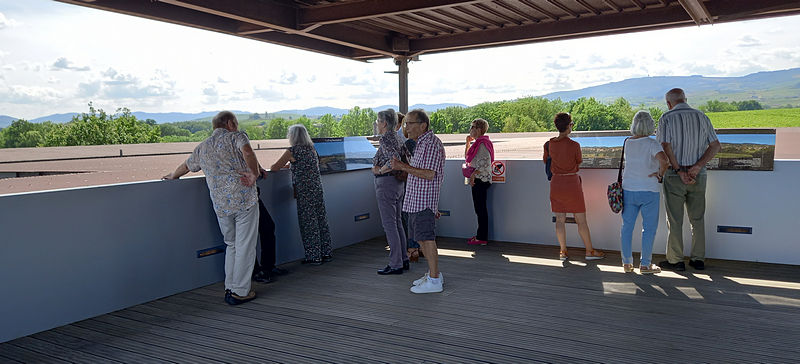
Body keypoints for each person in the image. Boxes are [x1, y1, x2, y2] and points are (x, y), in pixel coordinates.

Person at [163, 110, 260, 305]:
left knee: (231, 244)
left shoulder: (203, 146)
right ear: (230, 123)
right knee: (245, 246)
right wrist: (254, 173)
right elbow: (248, 152)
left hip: (221, 205)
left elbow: (187, 165)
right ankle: (240, 292)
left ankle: (230, 286)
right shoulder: (236, 137)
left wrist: (173, 176)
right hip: (244, 200)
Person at [657, 88, 721, 271]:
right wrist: (698, 166)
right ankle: (698, 259)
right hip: (698, 176)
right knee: (697, 218)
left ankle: (676, 261)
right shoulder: (702, 117)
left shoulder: (666, 118)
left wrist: (678, 170)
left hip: (674, 176)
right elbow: (715, 145)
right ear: (685, 99)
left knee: (675, 220)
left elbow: (665, 146)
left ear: (669, 103)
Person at [390, 109, 446, 294]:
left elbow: (429, 174)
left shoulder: (430, 144)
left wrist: (401, 166)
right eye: (405, 123)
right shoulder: (421, 143)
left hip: (423, 201)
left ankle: (435, 280)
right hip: (416, 201)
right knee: (421, 239)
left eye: (410, 124)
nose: (406, 127)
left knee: (426, 239)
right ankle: (432, 273)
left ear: (423, 125)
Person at [543, 113, 605, 261]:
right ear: (569, 126)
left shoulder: (549, 144)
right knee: (581, 220)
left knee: (559, 220)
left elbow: (546, 161)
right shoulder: (574, 145)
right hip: (572, 183)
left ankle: (563, 252)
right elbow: (578, 161)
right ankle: (589, 251)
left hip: (556, 183)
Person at [270, 124, 333, 265]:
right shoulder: (311, 149)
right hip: (317, 188)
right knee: (321, 220)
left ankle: (314, 256)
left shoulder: (292, 151)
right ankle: (326, 253)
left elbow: (275, 167)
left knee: (308, 223)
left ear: (292, 136)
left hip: (304, 191)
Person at [619, 111, 670, 274]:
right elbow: (665, 161)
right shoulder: (652, 143)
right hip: (649, 189)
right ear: (650, 125)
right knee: (649, 228)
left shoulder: (627, 142)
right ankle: (645, 264)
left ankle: (627, 263)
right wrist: (660, 175)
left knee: (627, 226)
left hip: (629, 189)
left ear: (634, 124)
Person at [372, 109, 409, 275]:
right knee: (397, 222)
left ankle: (395, 264)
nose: (377, 124)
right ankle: (403, 259)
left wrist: (380, 171)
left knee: (390, 225)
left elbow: (393, 159)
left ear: (384, 123)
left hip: (386, 184)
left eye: (378, 121)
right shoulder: (397, 136)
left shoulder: (386, 138)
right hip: (398, 184)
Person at [464, 118, 494, 246]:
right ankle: (481, 235)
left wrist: (472, 176)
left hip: (480, 180)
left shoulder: (481, 144)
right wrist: (467, 143)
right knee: (480, 208)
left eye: (473, 127)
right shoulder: (479, 143)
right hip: (480, 179)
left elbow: (484, 164)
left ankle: (482, 237)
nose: (471, 130)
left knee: (480, 209)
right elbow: (469, 158)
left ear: (479, 129)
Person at [251, 186, 290, 283]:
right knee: (248, 236)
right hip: (240, 199)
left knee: (268, 226)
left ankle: (268, 266)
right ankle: (255, 272)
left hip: (253, 195)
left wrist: (258, 170)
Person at [398, 112, 422, 262]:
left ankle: (412, 249)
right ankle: (419, 247)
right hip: (420, 183)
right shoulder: (421, 143)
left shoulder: (408, 144)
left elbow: (411, 164)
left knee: (409, 217)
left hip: (411, 182)